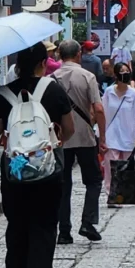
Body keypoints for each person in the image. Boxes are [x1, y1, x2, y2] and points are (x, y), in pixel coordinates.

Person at [0, 43, 74, 268]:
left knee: (17, 222)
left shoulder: (3, 93)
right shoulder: (54, 89)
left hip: (13, 169)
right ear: (43, 63)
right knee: (45, 222)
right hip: (47, 168)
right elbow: (69, 129)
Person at [55, 40, 107, 244]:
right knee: (93, 180)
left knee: (63, 184)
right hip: (84, 136)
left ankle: (64, 231)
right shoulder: (87, 76)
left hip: (60, 138)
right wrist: (102, 138)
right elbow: (99, 109)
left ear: (59, 54)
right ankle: (88, 221)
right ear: (79, 54)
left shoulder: (51, 79)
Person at [102, 63, 135, 194]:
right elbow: (103, 113)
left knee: (126, 167)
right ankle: (111, 193)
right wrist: (101, 134)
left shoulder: (134, 94)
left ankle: (123, 193)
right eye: (122, 71)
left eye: (127, 71)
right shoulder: (109, 92)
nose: (125, 73)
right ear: (116, 74)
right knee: (110, 166)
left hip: (128, 135)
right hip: (111, 135)